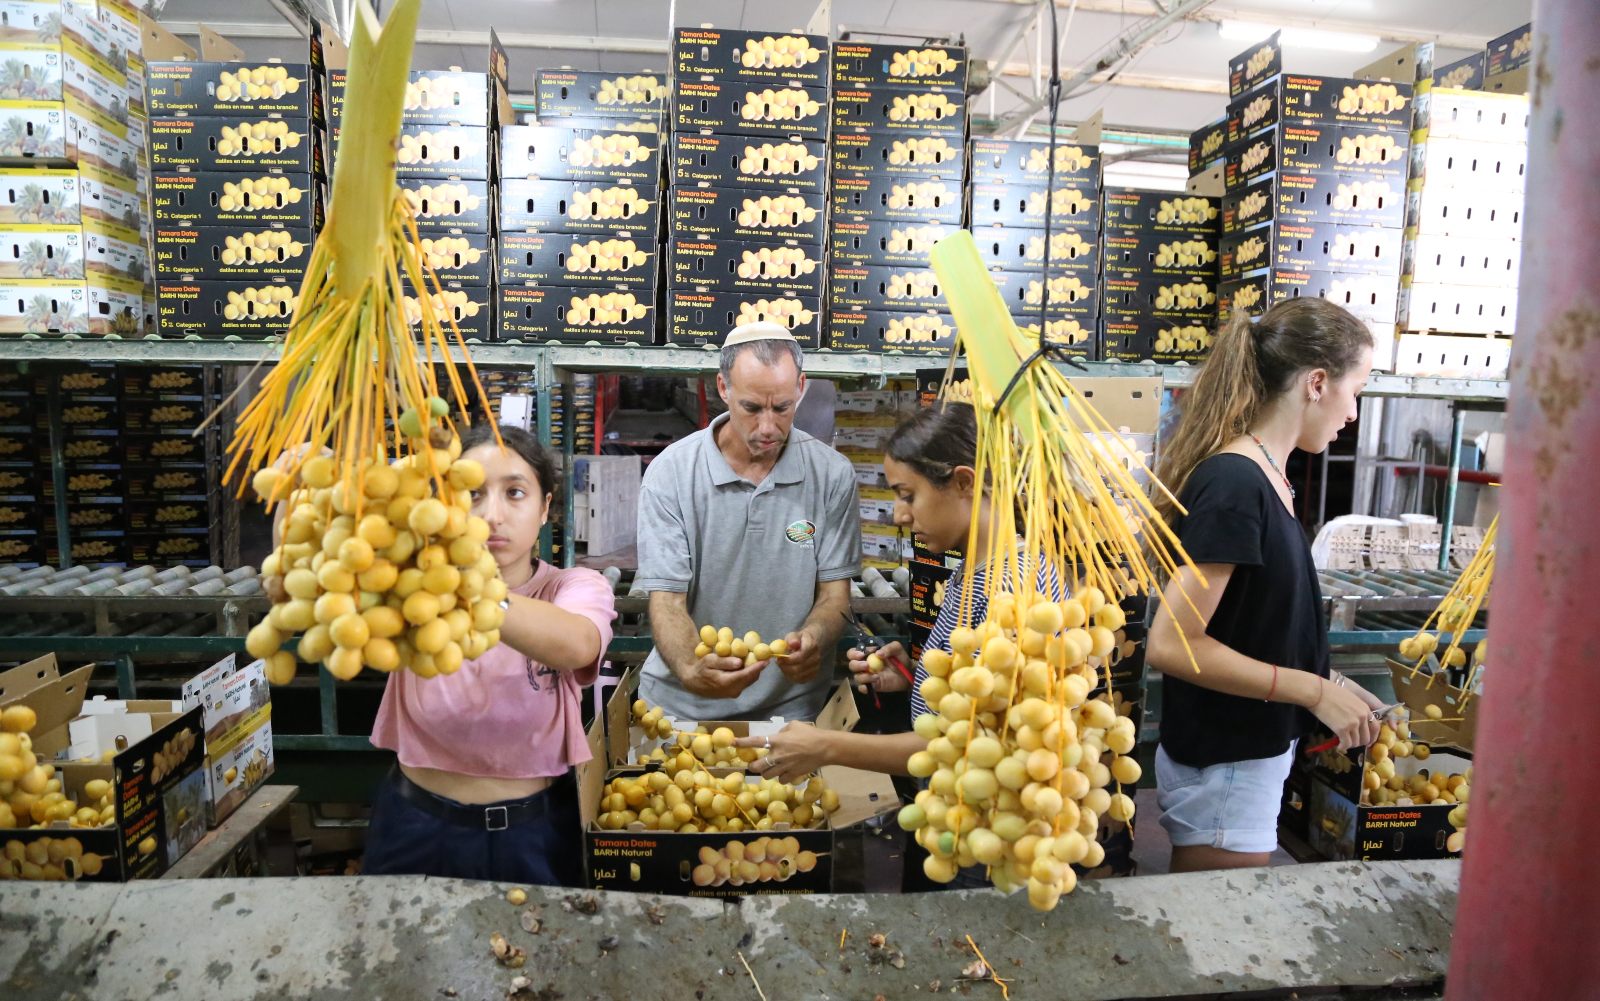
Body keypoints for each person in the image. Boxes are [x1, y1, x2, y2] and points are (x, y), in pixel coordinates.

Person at [1145, 298, 1388, 874]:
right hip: (1227, 763)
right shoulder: (1235, 483)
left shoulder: (1267, 478)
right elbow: (1174, 644)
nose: (1353, 412)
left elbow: (1251, 625)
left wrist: (1331, 683)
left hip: (1245, 758)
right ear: (1316, 382)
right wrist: (1312, 693)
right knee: (1215, 944)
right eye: (1356, 391)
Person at [363, 424, 617, 885]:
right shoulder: (407, 581)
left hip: (534, 831)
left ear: (544, 508)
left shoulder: (573, 586)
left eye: (515, 493)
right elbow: (321, 585)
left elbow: (577, 643)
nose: (493, 514)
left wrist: (468, 586)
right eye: (473, 494)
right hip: (416, 823)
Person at [635, 322, 860, 722]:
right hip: (680, 711)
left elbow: (834, 595)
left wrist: (816, 639)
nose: (768, 427)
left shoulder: (832, 475)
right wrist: (690, 666)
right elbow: (666, 600)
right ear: (723, 388)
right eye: (752, 408)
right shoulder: (671, 473)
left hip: (790, 717)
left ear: (801, 387)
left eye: (783, 407)